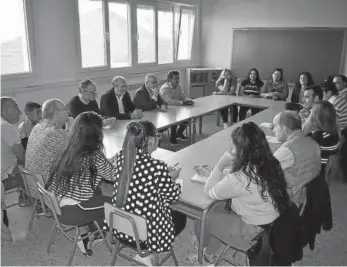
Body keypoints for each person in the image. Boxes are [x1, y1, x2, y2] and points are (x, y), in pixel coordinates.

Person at [193, 122, 290, 264]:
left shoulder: (239, 178)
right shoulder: (270, 162)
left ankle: (205, 251)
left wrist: (220, 165)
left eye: (233, 147)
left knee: (202, 214)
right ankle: (212, 250)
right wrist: (215, 172)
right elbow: (244, 181)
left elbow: (209, 191)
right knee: (218, 207)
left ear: (243, 150)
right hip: (273, 223)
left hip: (252, 233)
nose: (230, 150)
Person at [104, 121, 186, 266]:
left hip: (119, 227)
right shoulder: (157, 167)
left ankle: (142, 253)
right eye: (158, 136)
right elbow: (174, 195)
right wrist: (174, 179)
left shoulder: (122, 157)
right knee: (181, 216)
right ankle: (145, 253)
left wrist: (163, 177)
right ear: (151, 140)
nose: (158, 139)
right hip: (144, 236)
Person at [46, 111, 116, 257]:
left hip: (57, 207)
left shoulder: (68, 148)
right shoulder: (95, 156)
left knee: (97, 190)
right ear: (97, 133)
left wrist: (105, 163)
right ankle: (104, 234)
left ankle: (85, 235)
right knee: (114, 204)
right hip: (75, 212)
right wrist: (116, 163)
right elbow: (114, 176)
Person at [272, 111, 321, 207]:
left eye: (275, 126)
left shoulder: (287, 150)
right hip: (309, 195)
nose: (273, 130)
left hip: (292, 199)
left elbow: (265, 171)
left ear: (285, 129)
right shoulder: (313, 143)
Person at [26, 99, 72, 184]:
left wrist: (68, 129)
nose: (68, 111)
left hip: (34, 186)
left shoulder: (37, 128)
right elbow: (77, 152)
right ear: (56, 113)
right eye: (65, 109)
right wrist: (72, 128)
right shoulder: (56, 133)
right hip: (48, 191)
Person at [1, 97, 25, 242]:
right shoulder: (7, 127)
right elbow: (22, 156)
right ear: (5, 109)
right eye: (16, 107)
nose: (19, 111)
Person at [305, 101, 340, 173]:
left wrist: (307, 123)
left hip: (315, 170)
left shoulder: (318, 136)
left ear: (316, 117)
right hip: (324, 167)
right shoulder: (333, 132)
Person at [160, 71, 193, 144]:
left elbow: (183, 96)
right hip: (166, 111)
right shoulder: (164, 88)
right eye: (175, 78)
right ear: (169, 79)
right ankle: (173, 137)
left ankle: (179, 133)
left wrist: (188, 100)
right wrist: (182, 102)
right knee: (174, 119)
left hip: (177, 109)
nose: (177, 80)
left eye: (178, 78)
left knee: (188, 117)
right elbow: (168, 101)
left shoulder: (178, 87)